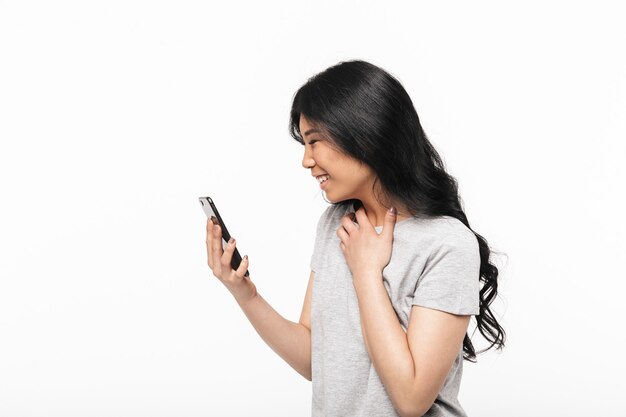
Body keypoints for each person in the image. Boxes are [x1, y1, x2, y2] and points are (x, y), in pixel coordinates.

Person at [205, 59, 506, 417]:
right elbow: (315, 361)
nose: (306, 160)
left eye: (314, 141)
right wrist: (245, 294)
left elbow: (411, 399)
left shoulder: (447, 244)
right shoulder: (336, 223)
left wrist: (366, 273)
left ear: (365, 132)